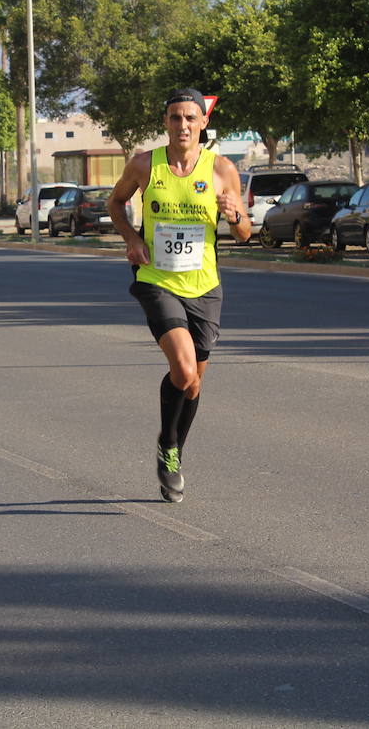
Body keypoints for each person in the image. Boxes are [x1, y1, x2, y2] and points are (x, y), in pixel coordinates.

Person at [107, 88, 249, 503]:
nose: (182, 125)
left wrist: (234, 215)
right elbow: (115, 202)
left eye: (190, 118)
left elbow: (244, 233)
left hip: (204, 286)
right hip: (156, 279)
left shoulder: (223, 170)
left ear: (203, 122)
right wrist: (132, 238)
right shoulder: (143, 165)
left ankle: (173, 448)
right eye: (175, 118)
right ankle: (168, 450)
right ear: (165, 122)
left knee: (193, 385)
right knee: (184, 371)